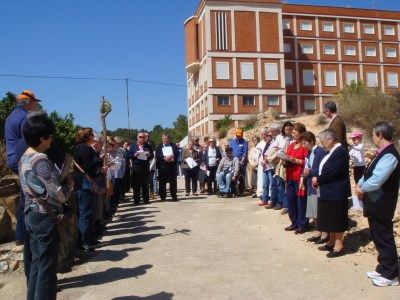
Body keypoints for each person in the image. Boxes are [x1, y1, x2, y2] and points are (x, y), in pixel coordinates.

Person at [19, 111, 73, 300]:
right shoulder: (40, 160)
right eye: (50, 136)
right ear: (42, 138)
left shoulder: (24, 156)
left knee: (36, 265)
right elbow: (58, 194)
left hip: (30, 215)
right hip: (44, 218)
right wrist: (68, 183)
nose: (51, 140)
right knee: (47, 271)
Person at [356, 121, 400, 287]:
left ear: (380, 135)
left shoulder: (390, 155)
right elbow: (368, 173)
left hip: (382, 204)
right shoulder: (381, 153)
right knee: (377, 236)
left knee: (384, 237)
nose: (373, 138)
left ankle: (391, 274)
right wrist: (360, 184)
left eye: (374, 135)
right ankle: (383, 267)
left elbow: (376, 180)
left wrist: (362, 188)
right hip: (375, 203)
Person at [5, 90, 40, 249]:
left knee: (25, 194)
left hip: (12, 158)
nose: (36, 105)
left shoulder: (11, 116)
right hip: (21, 158)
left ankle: (21, 235)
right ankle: (23, 234)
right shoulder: (24, 118)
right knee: (28, 195)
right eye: (34, 102)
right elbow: (29, 141)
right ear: (28, 103)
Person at [312, 129, 350, 258]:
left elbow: (333, 171)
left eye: (323, 142)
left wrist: (318, 179)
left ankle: (338, 245)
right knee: (330, 218)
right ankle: (331, 241)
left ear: (330, 140)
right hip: (327, 190)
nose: (321, 144)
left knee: (336, 218)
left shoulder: (340, 152)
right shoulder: (331, 152)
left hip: (336, 191)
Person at [73, 127, 105, 251]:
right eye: (92, 134)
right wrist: (100, 169)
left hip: (86, 183)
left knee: (88, 212)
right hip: (84, 183)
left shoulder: (85, 148)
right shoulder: (83, 149)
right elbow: (89, 166)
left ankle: (88, 238)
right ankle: (84, 242)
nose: (94, 136)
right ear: (87, 136)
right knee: (85, 213)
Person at [301, 131, 328, 244]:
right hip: (310, 183)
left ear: (312, 142)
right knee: (313, 209)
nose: (304, 146)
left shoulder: (320, 152)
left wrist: (310, 171)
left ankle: (325, 233)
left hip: (318, 184)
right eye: (302, 143)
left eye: (305, 143)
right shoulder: (309, 153)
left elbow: (323, 169)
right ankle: (318, 231)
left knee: (319, 209)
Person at [284, 122, 309, 234]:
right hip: (289, 175)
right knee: (291, 200)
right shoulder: (290, 145)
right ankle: (294, 222)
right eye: (292, 131)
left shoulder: (304, 146)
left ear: (301, 133)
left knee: (301, 201)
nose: (293, 133)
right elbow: (287, 157)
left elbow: (306, 161)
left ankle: (302, 224)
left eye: (295, 132)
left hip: (300, 177)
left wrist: (294, 160)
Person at [270, 121, 293, 213]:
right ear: (283, 129)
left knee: (287, 184)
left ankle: (287, 205)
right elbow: (274, 148)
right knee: (279, 184)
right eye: (286, 129)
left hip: (289, 162)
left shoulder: (294, 139)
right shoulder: (280, 137)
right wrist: (280, 150)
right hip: (280, 163)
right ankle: (280, 203)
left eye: (290, 129)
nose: (288, 131)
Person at [129, 132, 154, 205]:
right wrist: (134, 155)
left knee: (145, 184)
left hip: (145, 167)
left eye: (143, 137)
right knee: (136, 185)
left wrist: (149, 155)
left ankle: (146, 200)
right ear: (137, 137)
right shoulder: (133, 146)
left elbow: (152, 155)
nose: (142, 138)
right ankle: (136, 201)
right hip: (136, 167)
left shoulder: (148, 146)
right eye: (140, 137)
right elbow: (129, 155)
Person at [156, 133, 179, 201]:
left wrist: (171, 156)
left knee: (173, 183)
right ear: (162, 139)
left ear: (169, 139)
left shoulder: (173, 145)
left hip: (172, 167)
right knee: (162, 183)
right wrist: (164, 158)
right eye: (164, 139)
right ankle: (162, 197)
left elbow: (176, 153)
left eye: (166, 138)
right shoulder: (159, 146)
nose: (165, 140)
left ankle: (174, 196)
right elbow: (158, 155)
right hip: (162, 168)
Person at [253, 129, 267, 198]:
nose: (264, 136)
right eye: (262, 134)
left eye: (265, 134)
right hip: (261, 165)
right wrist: (256, 164)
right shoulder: (260, 144)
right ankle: (261, 194)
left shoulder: (270, 142)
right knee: (261, 179)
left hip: (268, 164)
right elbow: (256, 155)